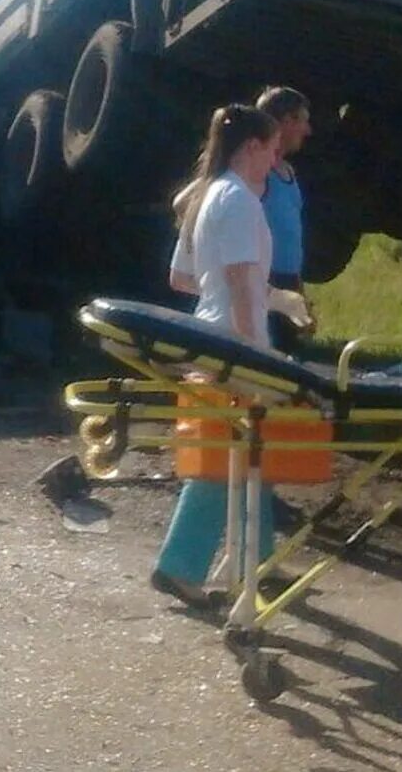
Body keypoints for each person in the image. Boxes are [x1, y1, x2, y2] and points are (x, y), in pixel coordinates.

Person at [151, 104, 282, 608]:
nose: (275, 160)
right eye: (271, 150)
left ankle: (257, 560)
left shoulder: (209, 196)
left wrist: (263, 299)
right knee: (232, 457)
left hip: (213, 334)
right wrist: (257, 356)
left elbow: (182, 278)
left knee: (254, 453)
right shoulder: (239, 200)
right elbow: (239, 282)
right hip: (234, 343)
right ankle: (182, 565)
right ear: (252, 147)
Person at [254, 87, 310, 352]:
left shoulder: (288, 171)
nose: (307, 130)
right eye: (302, 120)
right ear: (286, 122)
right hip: (260, 280)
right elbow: (188, 201)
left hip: (288, 282)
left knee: (288, 361)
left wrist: (300, 294)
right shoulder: (253, 169)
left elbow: (291, 239)